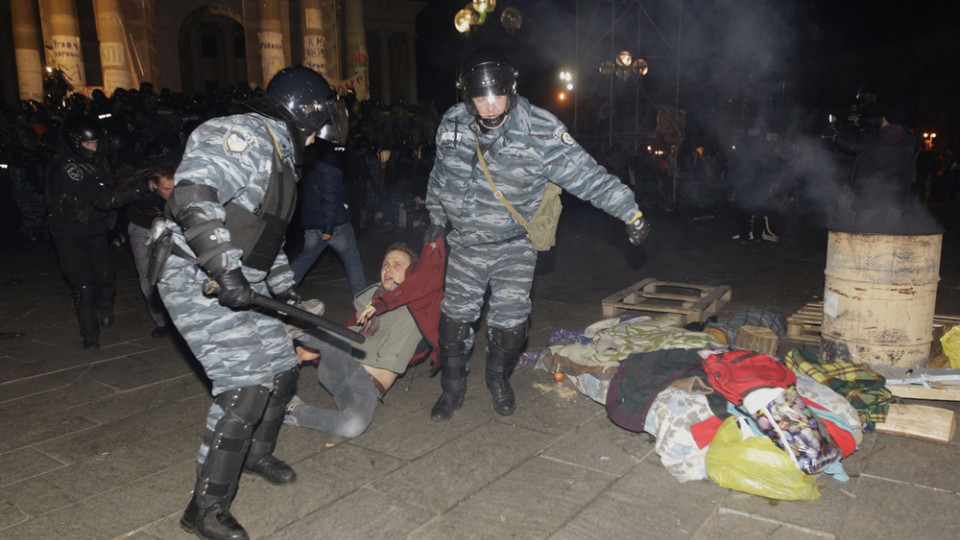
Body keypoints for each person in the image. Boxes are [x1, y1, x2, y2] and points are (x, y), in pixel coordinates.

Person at [155, 66, 347, 540]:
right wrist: (224, 269)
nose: (318, 137)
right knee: (246, 385)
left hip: (241, 278)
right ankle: (205, 509)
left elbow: (266, 239)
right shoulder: (240, 135)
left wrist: (283, 292)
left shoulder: (281, 155)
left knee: (282, 369)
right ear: (304, 113)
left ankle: (257, 454)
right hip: (194, 274)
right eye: (318, 124)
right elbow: (191, 195)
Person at [423, 49, 650, 422]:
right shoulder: (452, 123)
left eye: (497, 95)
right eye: (480, 97)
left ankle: (498, 380)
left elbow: (587, 175)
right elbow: (439, 174)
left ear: (510, 91)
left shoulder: (540, 129)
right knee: (454, 323)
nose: (490, 106)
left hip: (515, 244)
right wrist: (435, 215)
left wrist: (630, 212)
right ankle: (452, 391)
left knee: (510, 326)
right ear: (467, 96)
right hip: (464, 243)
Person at [284, 240, 445, 437]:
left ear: (412, 272)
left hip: (367, 386)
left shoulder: (422, 302)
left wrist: (434, 237)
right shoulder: (367, 299)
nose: (388, 268)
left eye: (397, 265)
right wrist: (316, 351)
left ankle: (293, 410)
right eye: (386, 263)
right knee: (338, 335)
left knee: (353, 426)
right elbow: (348, 332)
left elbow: (432, 274)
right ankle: (301, 326)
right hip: (342, 364)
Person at [44, 114, 150, 350]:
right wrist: (137, 190)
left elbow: (107, 185)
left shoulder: (95, 161)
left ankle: (105, 305)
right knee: (83, 285)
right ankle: (90, 334)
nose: (94, 148)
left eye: (95, 143)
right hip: (69, 233)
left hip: (96, 230)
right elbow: (103, 199)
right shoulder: (68, 168)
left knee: (104, 277)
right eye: (88, 144)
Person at [288, 140, 366, 295]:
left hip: (312, 224)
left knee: (305, 259)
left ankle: (280, 290)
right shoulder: (330, 162)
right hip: (333, 224)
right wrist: (329, 227)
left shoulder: (307, 160)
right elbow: (330, 196)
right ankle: (361, 300)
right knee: (352, 261)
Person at [833, 102, 918, 229]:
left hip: (869, 197)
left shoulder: (871, 139)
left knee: (865, 232)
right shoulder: (912, 142)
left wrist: (850, 124)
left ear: (885, 119)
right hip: (897, 198)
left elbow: (842, 141)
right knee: (891, 234)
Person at [126, 165, 175, 337]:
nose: (171, 192)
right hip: (143, 230)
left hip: (171, 229)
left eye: (173, 188)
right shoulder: (142, 193)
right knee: (148, 275)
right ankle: (161, 321)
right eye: (166, 189)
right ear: (154, 185)